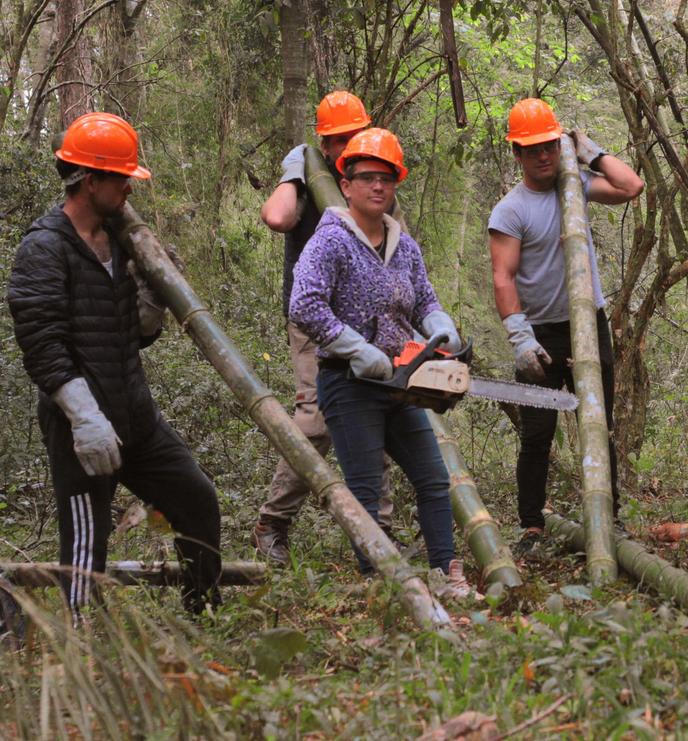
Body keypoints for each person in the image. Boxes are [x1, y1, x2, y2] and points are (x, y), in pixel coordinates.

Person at [7, 112, 222, 615]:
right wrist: (85, 419)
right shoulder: (43, 249)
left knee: (197, 498)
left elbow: (132, 338)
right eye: (120, 177)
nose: (128, 187)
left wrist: (152, 301)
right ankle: (82, 644)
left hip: (135, 414)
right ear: (89, 180)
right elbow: (42, 347)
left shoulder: (121, 242)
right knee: (87, 541)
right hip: (79, 423)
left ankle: (204, 613)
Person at [288, 128, 473, 599]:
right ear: (345, 184)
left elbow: (423, 300)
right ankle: (381, 587)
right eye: (366, 178)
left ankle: (446, 575)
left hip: (401, 382)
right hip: (348, 384)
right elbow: (305, 303)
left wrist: (438, 325)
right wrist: (354, 347)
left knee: (434, 480)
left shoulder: (404, 245)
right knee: (365, 490)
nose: (377, 187)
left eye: (386, 179)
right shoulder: (330, 240)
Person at [487, 98, 644, 554]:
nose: (543, 156)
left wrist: (589, 152)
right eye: (532, 149)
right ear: (516, 153)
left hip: (588, 325)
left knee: (598, 423)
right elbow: (503, 276)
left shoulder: (575, 185)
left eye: (550, 145)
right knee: (537, 434)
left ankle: (607, 521)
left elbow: (631, 186)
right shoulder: (510, 210)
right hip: (539, 332)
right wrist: (520, 337)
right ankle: (533, 526)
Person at [254, 90, 393, 565]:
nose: (343, 148)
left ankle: (380, 533)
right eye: (334, 141)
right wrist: (296, 173)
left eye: (352, 136)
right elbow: (277, 217)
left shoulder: (372, 179)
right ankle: (273, 522)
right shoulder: (308, 175)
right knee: (315, 421)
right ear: (323, 143)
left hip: (370, 321)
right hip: (316, 318)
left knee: (377, 409)